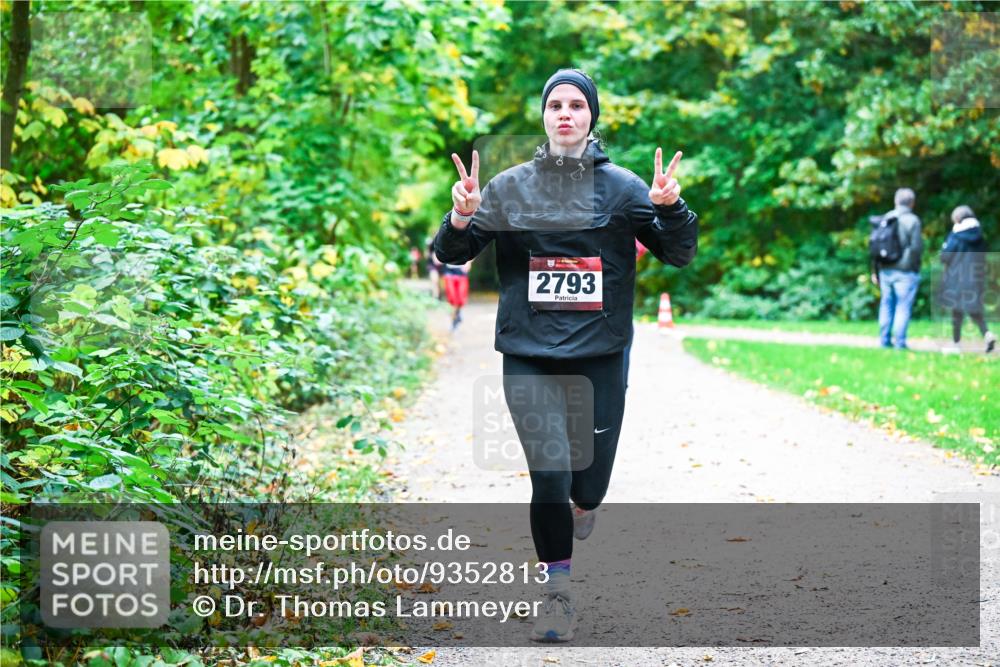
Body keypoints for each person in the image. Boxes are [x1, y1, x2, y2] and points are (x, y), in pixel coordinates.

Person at [433, 68, 698, 642]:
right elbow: (454, 253)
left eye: (577, 105)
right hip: (528, 351)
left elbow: (677, 254)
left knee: (587, 487)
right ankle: (557, 592)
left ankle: (585, 505)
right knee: (549, 475)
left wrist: (670, 207)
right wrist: (460, 215)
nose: (566, 114)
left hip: (600, 353)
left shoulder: (626, 188)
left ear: (591, 117)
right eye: (556, 104)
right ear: (544, 116)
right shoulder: (507, 187)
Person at [871, 188, 923, 350]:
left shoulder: (886, 218)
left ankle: (884, 341)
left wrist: (875, 270)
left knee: (886, 305)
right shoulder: (913, 220)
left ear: (895, 201)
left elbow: (875, 246)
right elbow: (916, 248)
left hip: (885, 269)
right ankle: (900, 343)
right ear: (912, 203)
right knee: (902, 306)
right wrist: (914, 267)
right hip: (905, 271)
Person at [938, 205, 995, 354]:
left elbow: (945, 257)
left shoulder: (955, 236)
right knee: (974, 310)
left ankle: (956, 344)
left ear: (957, 219)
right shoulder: (980, 235)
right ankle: (987, 334)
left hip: (957, 278)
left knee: (956, 312)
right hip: (975, 277)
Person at [442, 259, 473, 330]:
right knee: (452, 298)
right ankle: (453, 321)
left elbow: (475, 248)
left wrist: (469, 262)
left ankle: (458, 314)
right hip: (449, 271)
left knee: (460, 299)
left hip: (462, 272)